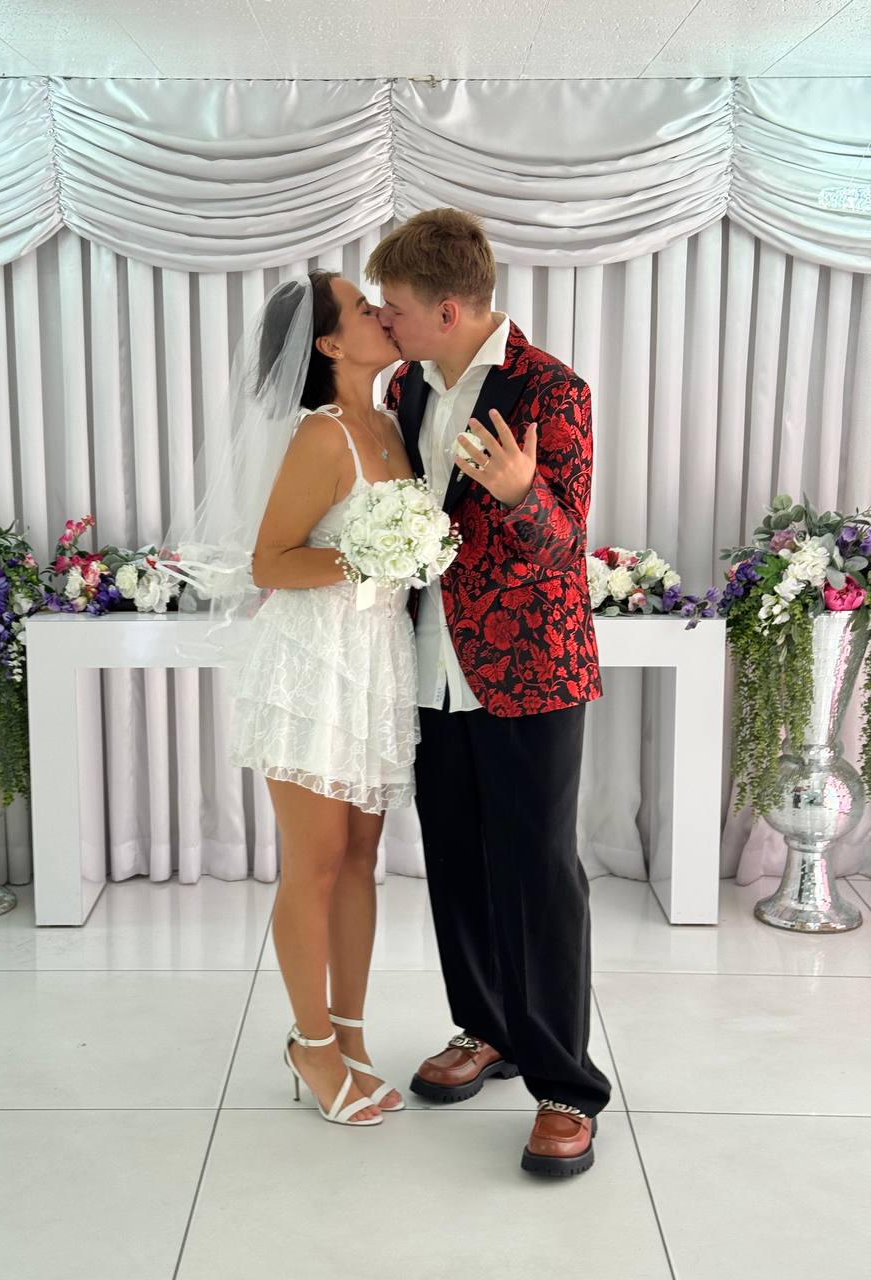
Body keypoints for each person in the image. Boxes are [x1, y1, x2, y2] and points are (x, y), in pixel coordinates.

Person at [365, 208, 612, 1175]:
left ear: (448, 309)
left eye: (394, 306)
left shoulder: (552, 388)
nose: (384, 320)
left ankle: (565, 1087)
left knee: (538, 873)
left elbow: (566, 546)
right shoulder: (402, 386)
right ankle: (487, 1028)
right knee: (456, 860)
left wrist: (520, 492)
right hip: (428, 661)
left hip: (531, 668)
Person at [164, 271, 415, 1127]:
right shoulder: (321, 435)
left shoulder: (389, 422)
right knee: (316, 859)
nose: (382, 312)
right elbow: (270, 561)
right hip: (314, 661)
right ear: (331, 344)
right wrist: (368, 557)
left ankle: (350, 1034)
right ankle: (310, 1045)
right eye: (364, 308)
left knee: (361, 857)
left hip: (377, 658)